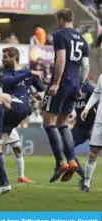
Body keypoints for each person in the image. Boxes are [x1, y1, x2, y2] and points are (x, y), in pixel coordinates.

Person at [0, 47, 44, 195]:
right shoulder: (5, 72)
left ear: (14, 57)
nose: (2, 60)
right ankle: (4, 184)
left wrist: (39, 93)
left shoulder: (27, 72)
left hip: (21, 106)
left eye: (5, 57)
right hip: (10, 112)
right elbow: (9, 81)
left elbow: (41, 89)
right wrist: (29, 72)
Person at [41, 8, 90, 183]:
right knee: (63, 123)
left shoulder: (60, 34)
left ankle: (59, 163)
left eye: (57, 20)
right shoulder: (83, 39)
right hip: (75, 84)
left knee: (48, 122)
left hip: (61, 82)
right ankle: (71, 161)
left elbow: (61, 58)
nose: (56, 23)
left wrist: (55, 82)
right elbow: (85, 66)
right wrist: (80, 86)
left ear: (61, 19)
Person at [66, 80, 96, 183]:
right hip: (79, 127)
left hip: (94, 126)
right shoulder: (72, 88)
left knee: (94, 154)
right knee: (66, 148)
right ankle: (83, 175)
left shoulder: (90, 90)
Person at [80, 74, 102, 192]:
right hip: (99, 121)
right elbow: (96, 93)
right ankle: (86, 183)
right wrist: (87, 108)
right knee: (93, 153)